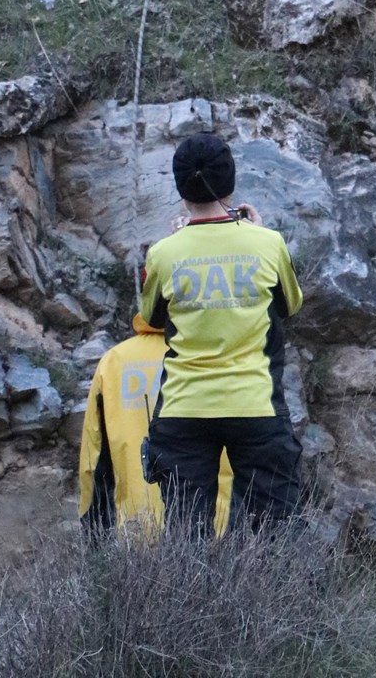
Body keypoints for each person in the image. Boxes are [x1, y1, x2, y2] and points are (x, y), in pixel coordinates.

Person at [140, 132, 304, 533]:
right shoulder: (269, 244)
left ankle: (183, 597)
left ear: (181, 186)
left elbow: (153, 318)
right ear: (229, 181)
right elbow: (289, 306)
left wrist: (180, 241)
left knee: (184, 532)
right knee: (274, 531)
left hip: (184, 407)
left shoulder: (163, 253)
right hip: (256, 405)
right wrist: (258, 232)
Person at [78, 311, 232, 536]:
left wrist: (93, 535)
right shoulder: (218, 357)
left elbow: (94, 458)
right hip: (216, 536)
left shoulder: (114, 362)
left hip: (136, 534)